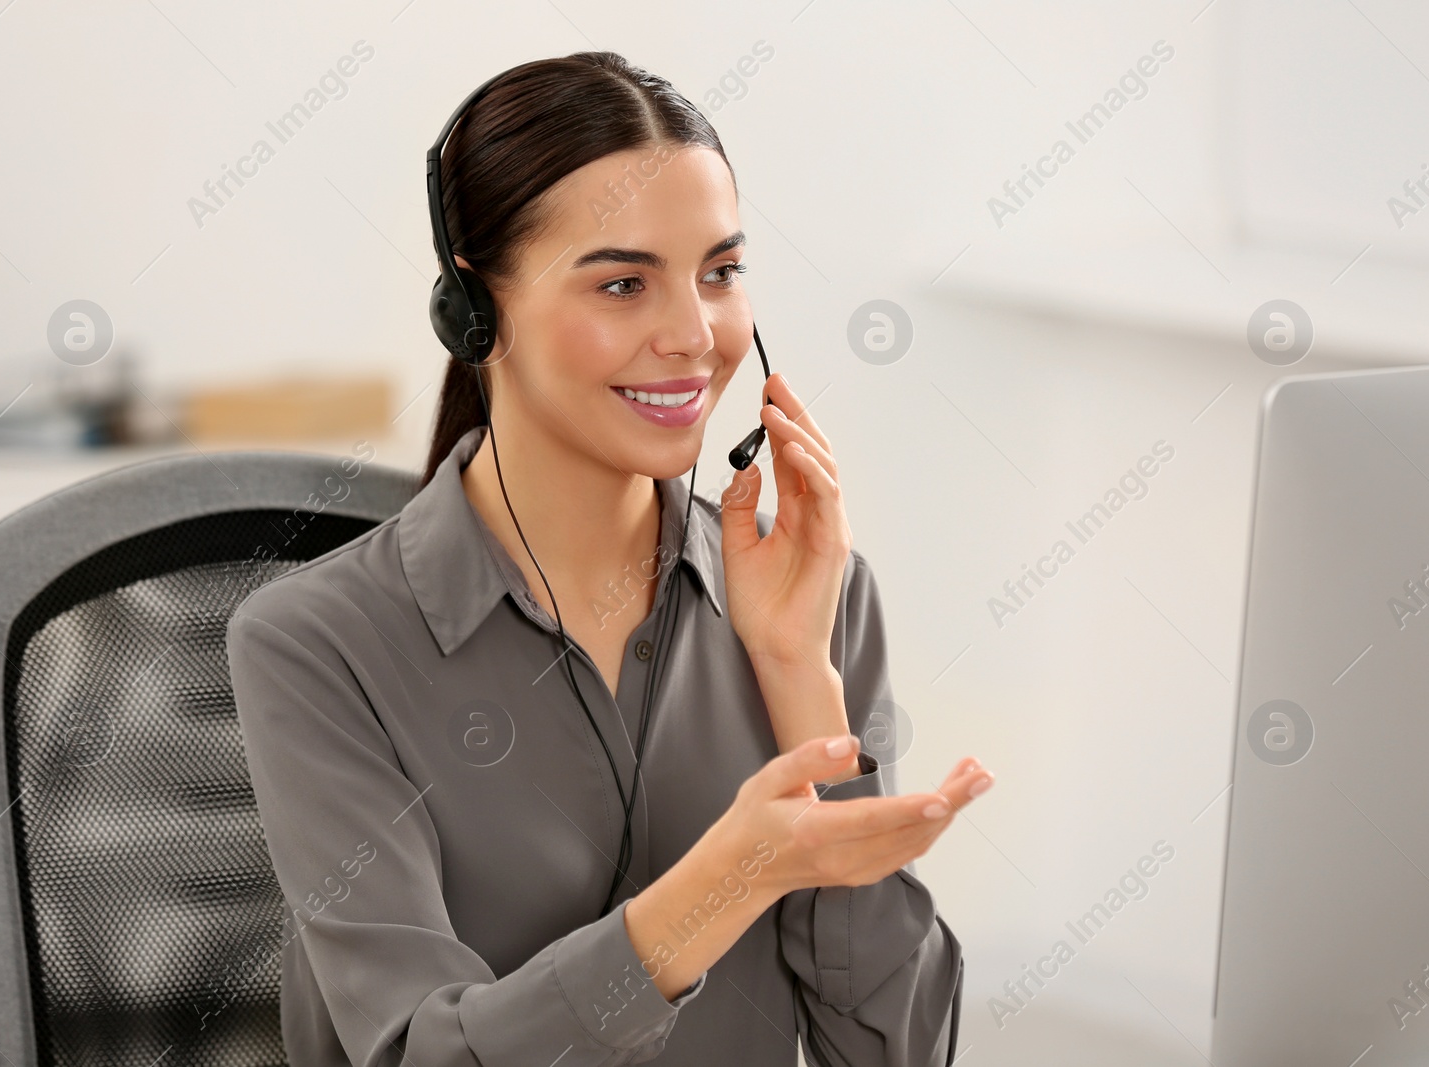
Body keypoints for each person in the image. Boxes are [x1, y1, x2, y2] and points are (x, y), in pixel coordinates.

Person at [226, 50, 995, 1066]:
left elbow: (894, 1050)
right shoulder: (316, 647)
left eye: (719, 273)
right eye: (624, 283)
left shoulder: (817, 599)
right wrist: (726, 878)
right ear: (474, 311)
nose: (693, 334)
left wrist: (799, 676)